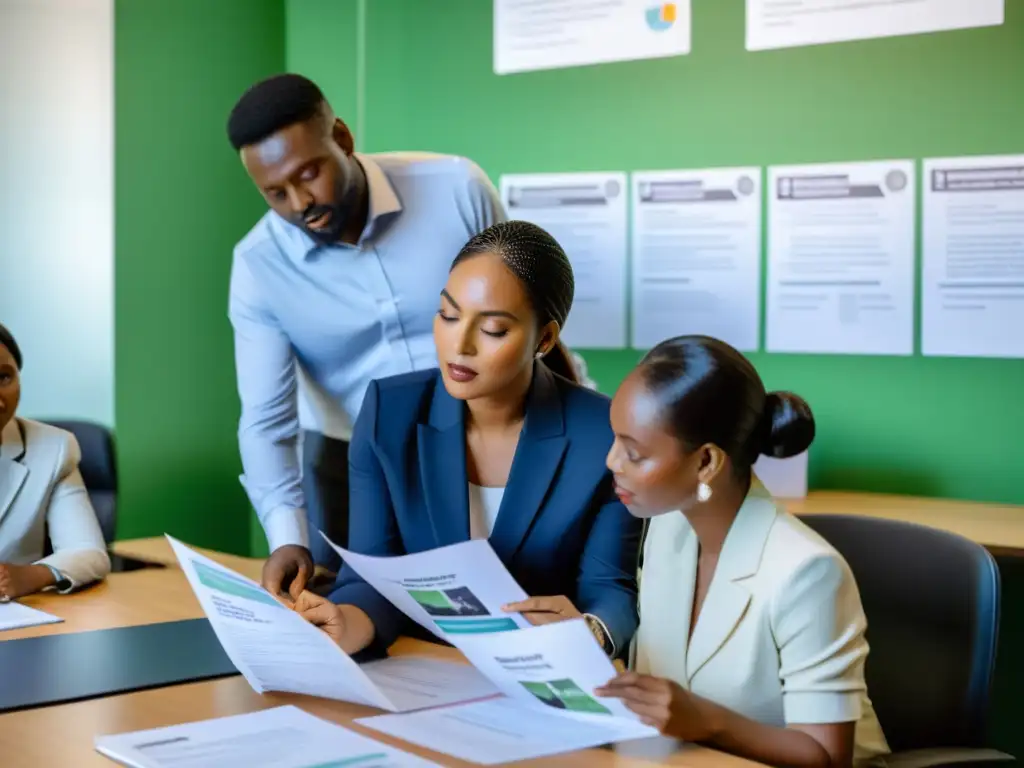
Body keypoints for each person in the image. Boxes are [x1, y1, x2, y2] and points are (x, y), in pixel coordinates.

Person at [292, 221, 641, 658]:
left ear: (545, 339)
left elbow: (611, 588)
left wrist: (591, 630)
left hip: (545, 675)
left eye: (492, 330)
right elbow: (369, 578)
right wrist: (349, 624)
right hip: (428, 669)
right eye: (448, 315)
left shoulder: (602, 434)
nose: (460, 345)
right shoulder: (389, 412)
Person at [225, 73, 506, 597]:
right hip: (350, 468)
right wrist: (288, 536)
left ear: (344, 140)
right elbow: (266, 421)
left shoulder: (456, 189)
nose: (298, 203)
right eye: (275, 193)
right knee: (354, 622)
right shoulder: (258, 266)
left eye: (307, 174)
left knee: (496, 607)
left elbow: (528, 317)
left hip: (490, 446)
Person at [596, 336, 889, 768]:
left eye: (634, 453)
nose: (611, 461)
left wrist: (706, 721)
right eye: (615, 441)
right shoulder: (667, 528)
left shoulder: (807, 572)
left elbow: (827, 756)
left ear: (706, 463)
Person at [0, 323, 111, 600]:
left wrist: (26, 577)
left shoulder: (54, 448)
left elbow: (89, 552)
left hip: (19, 625)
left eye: (3, 377)